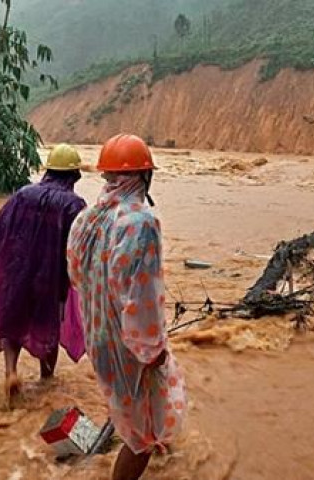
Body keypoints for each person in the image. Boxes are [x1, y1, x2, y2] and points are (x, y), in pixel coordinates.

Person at [67, 134, 186, 480]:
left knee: (130, 414)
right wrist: (152, 351)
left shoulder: (86, 218)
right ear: (145, 176)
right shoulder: (141, 222)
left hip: (98, 335)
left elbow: (76, 275)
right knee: (142, 438)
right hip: (128, 343)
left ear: (107, 176)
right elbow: (141, 294)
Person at [0, 144, 88, 399]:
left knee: (13, 321)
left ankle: (11, 372)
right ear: (74, 176)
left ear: (48, 170)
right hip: (49, 280)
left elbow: (0, 229)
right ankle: (46, 379)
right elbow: (79, 248)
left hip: (14, 272)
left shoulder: (23, 194)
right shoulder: (74, 205)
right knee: (49, 325)